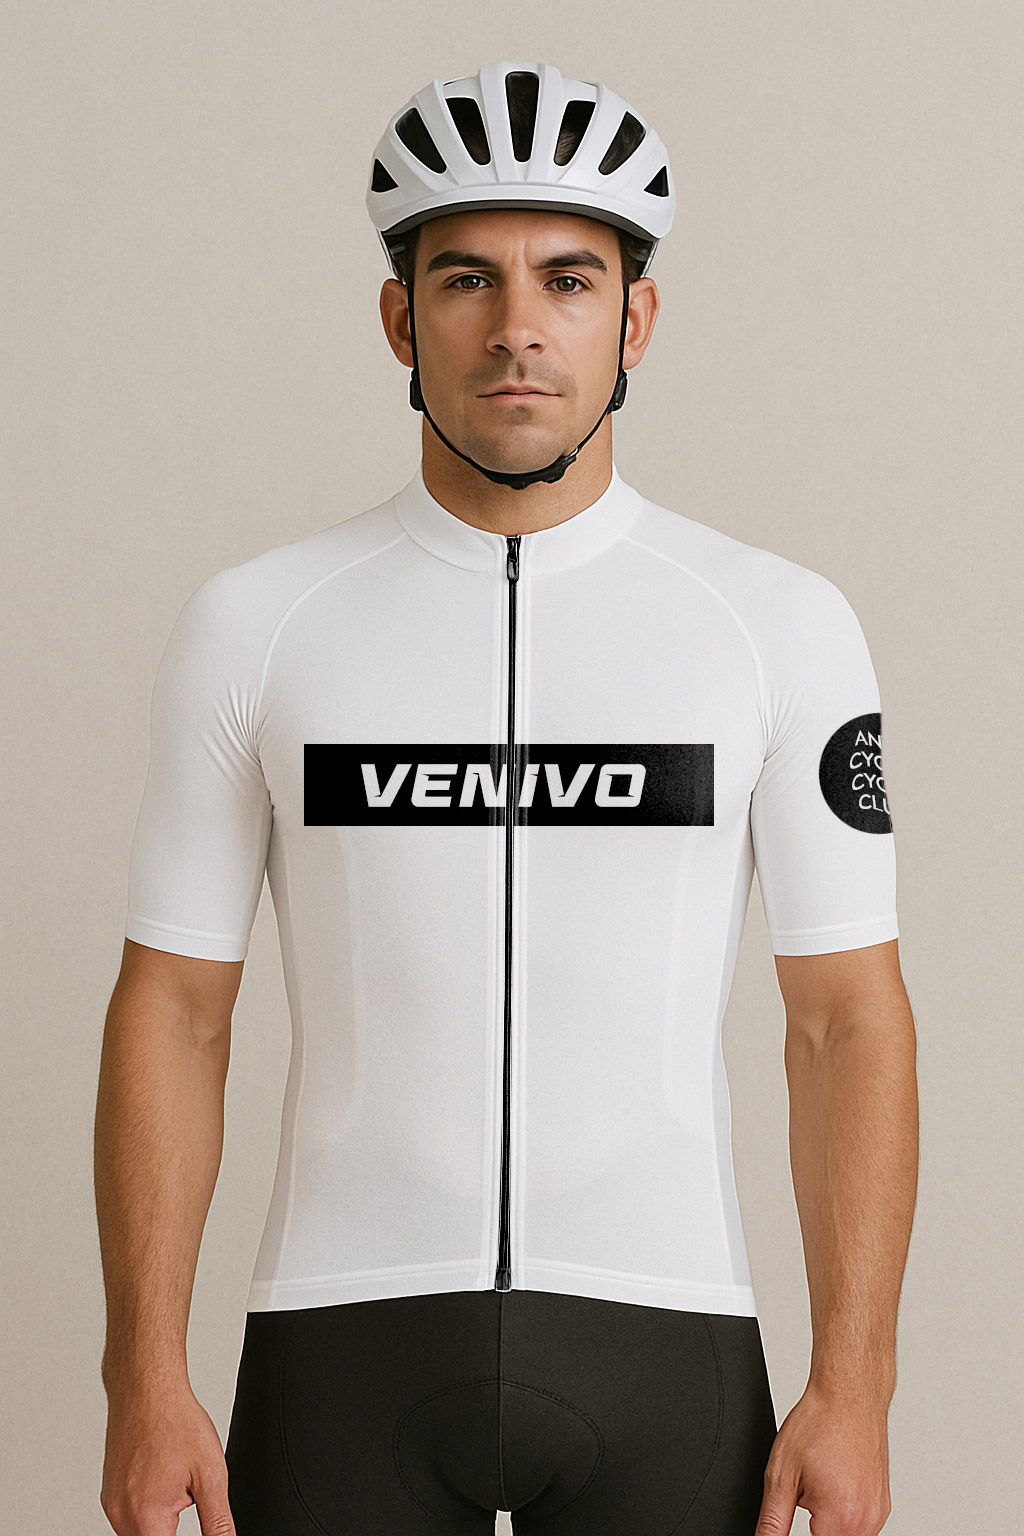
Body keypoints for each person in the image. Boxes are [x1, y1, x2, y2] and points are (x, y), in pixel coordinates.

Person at [94, 60, 918, 1536]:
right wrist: (141, 1376)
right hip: (343, 1340)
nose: (518, 326)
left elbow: (845, 1018)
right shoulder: (259, 624)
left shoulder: (776, 626)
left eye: (570, 280)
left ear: (637, 321)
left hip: (664, 1341)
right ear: (401, 320)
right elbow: (175, 1007)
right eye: (467, 277)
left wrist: (856, 1383)